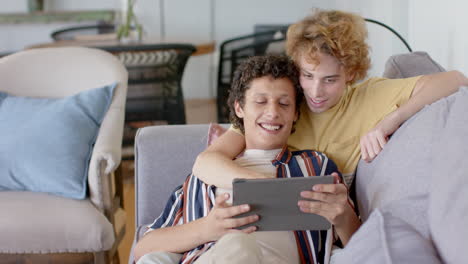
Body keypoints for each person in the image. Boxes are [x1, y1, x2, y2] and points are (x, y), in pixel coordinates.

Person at [193, 9, 468, 242]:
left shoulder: (369, 97)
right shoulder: (283, 106)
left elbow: (456, 80)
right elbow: (205, 162)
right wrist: (273, 188)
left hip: (317, 231)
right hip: (259, 221)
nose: (316, 91)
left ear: (350, 73)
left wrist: (390, 121)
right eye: (307, 75)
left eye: (330, 79)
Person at [134, 55, 351, 264]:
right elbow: (142, 249)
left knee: (240, 246)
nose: (273, 112)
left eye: (284, 104)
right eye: (260, 102)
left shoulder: (315, 167)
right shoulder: (202, 178)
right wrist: (207, 228)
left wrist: (343, 216)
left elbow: (362, 244)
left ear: (295, 113)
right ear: (239, 108)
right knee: (237, 246)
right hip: (216, 255)